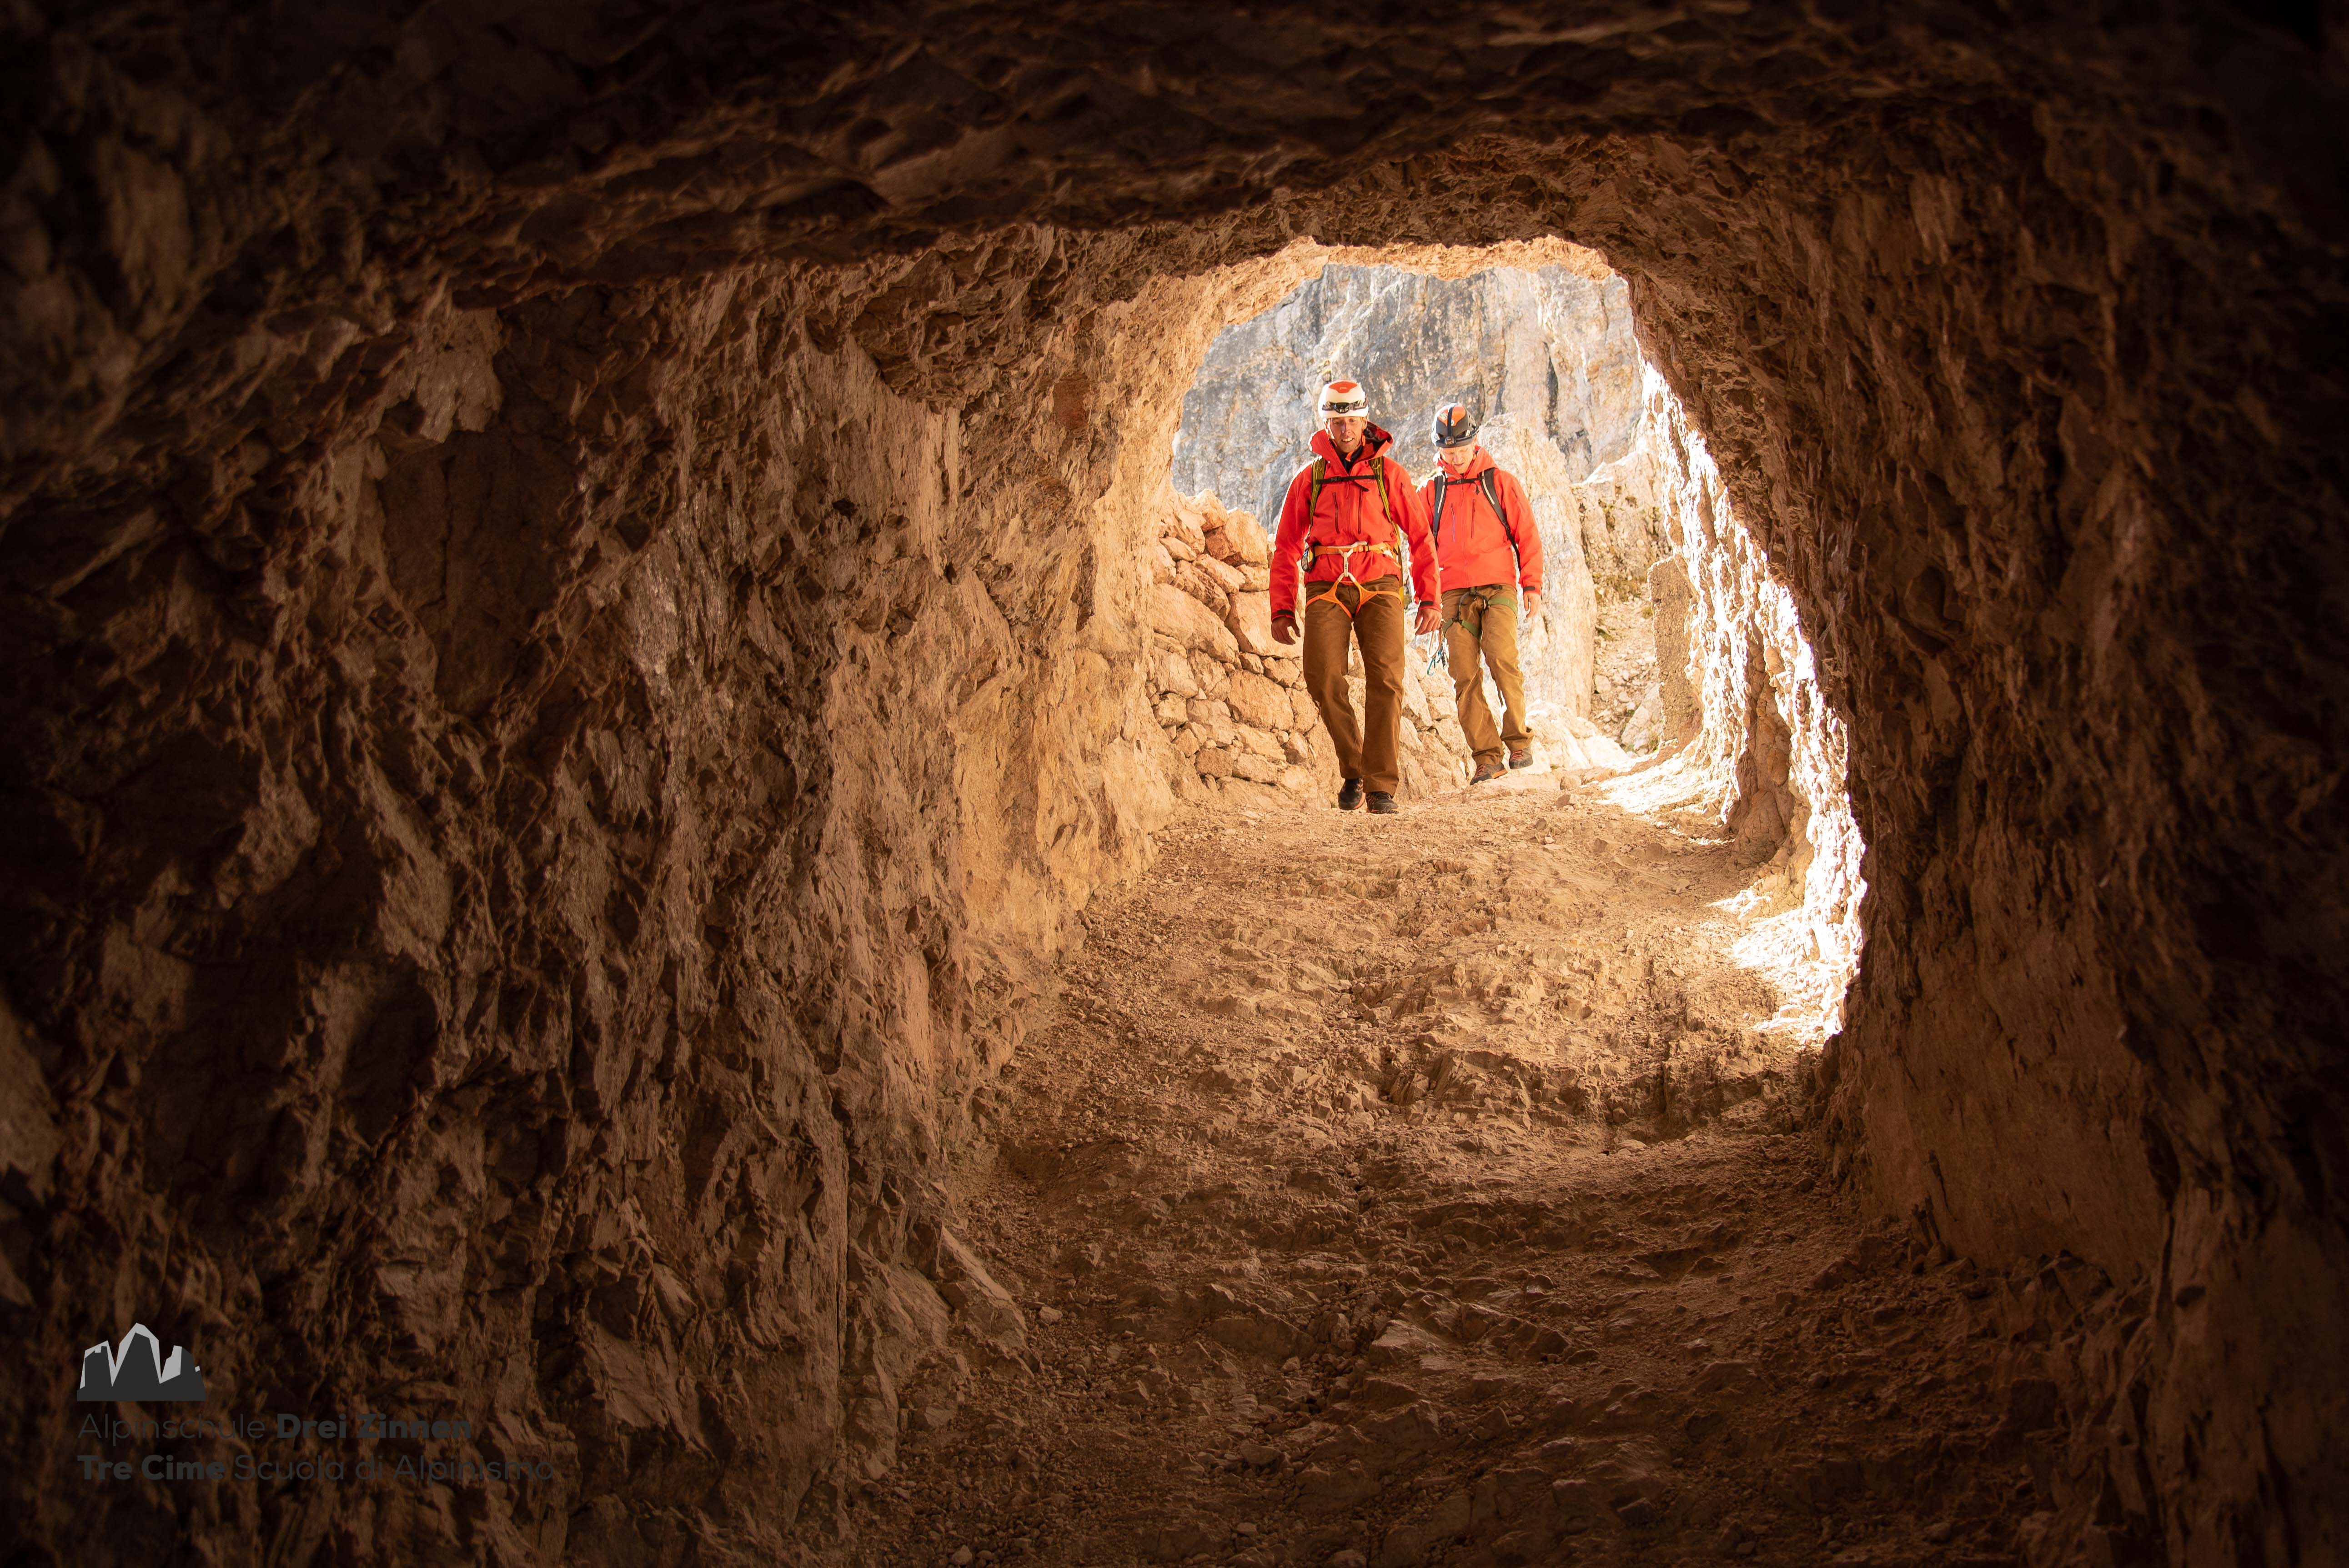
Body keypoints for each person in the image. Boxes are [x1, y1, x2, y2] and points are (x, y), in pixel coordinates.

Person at [1268, 380, 1441, 814]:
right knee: (1321, 674)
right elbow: (1287, 546)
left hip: (1380, 584)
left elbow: (1420, 538)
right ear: (1325, 423)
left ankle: (1381, 786)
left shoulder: (1389, 475)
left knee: (1386, 677)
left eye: (1352, 421)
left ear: (1366, 420)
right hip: (1327, 584)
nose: (1345, 430)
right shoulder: (1310, 479)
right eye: (1337, 421)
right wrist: (1282, 606)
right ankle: (1355, 768)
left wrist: (1430, 598)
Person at [1420, 404, 1544, 782]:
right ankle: (1487, 757)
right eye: (1448, 451)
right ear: (1439, 451)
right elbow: (1420, 547)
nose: (1455, 457)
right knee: (1463, 674)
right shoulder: (1431, 492)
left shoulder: (1500, 482)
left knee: (1502, 656)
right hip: (1454, 594)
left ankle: (1518, 740)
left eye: (1461, 449)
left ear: (1476, 443)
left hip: (1499, 586)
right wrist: (1426, 599)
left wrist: (1532, 585)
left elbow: (1527, 534)